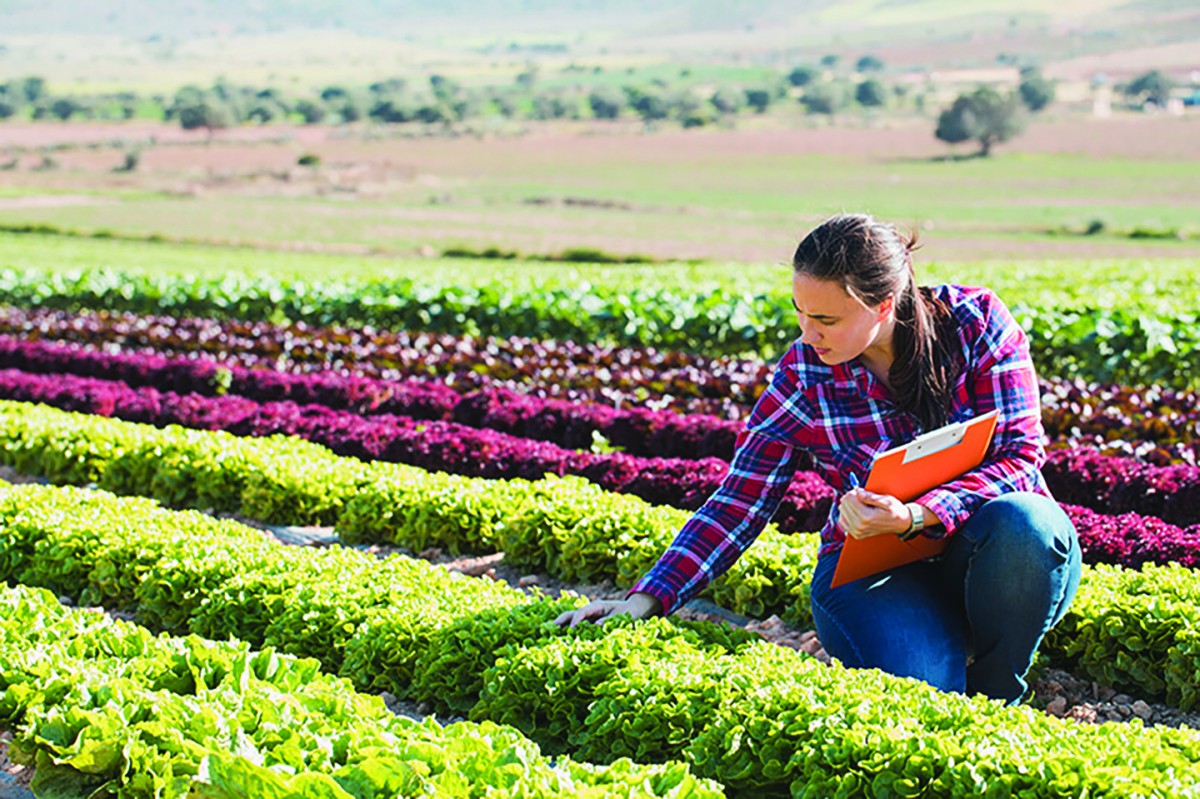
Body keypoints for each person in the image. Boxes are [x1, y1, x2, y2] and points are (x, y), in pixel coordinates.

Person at [554, 212, 1082, 705]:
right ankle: (935, 647)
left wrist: (920, 513)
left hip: (994, 552)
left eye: (826, 318)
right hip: (876, 570)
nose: (808, 334)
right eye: (801, 314)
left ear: (882, 305)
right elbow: (739, 501)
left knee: (1027, 522)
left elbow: (1019, 456)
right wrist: (646, 598)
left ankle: (998, 689)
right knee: (928, 695)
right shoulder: (804, 376)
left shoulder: (975, 325)